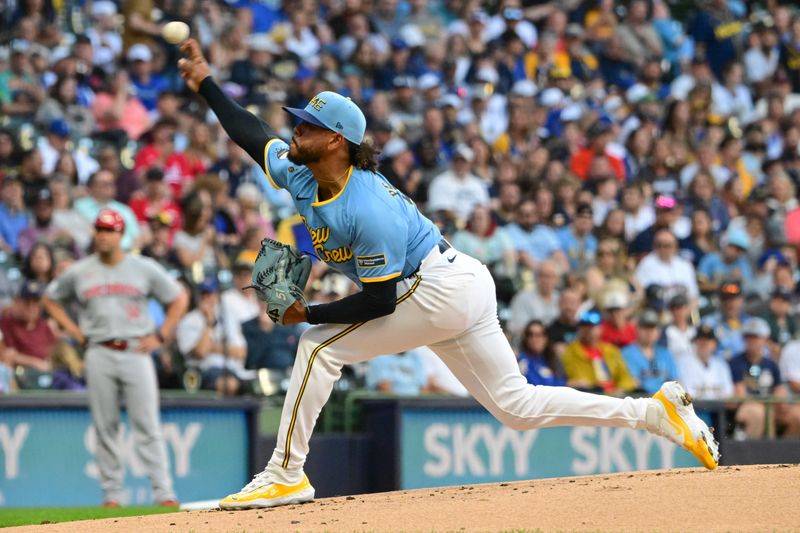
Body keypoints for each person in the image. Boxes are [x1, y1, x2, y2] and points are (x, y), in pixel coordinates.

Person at [178, 38, 719, 510]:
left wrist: (308, 314)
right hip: (454, 282)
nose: (295, 130)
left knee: (319, 346)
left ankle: (284, 474)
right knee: (518, 407)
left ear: (337, 141)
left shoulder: (367, 209)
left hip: (434, 287)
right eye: (299, 121)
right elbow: (253, 136)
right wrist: (207, 85)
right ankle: (653, 413)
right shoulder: (302, 169)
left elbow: (381, 303)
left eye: (309, 125)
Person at [42, 208, 189, 507]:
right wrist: (74, 331)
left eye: (109, 230)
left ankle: (164, 493)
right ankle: (112, 496)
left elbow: (179, 297)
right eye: (99, 229)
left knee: (147, 424)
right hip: (98, 350)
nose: (103, 235)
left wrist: (161, 336)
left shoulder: (142, 267)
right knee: (105, 425)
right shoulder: (81, 270)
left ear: (121, 235)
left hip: (136, 349)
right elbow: (50, 298)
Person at [729, 318, 800, 438]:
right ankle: (754, 455)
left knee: (796, 414)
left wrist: (779, 403)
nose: (751, 341)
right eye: (748, 337)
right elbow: (740, 394)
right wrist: (767, 405)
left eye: (756, 337)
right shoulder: (736, 362)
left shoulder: (771, 364)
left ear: (765, 340)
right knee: (758, 414)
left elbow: (780, 391)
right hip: (747, 406)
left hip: (770, 405)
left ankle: (786, 453)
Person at [562, 309, 637, 395]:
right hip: (592, 396)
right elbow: (580, 381)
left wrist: (620, 389)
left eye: (593, 327)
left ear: (601, 328)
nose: (589, 330)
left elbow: (625, 377)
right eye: (585, 326)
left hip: (615, 396)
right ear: (580, 329)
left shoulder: (611, 350)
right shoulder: (571, 352)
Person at [621, 309, 679, 395]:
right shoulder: (627, 353)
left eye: (652, 328)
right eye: (645, 328)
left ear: (658, 331)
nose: (649, 332)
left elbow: (676, 382)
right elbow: (633, 384)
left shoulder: (665, 353)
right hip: (640, 401)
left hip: (665, 401)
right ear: (637, 329)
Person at [677, 324, 733, 400]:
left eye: (708, 340)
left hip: (719, 409)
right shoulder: (683, 363)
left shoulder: (721, 365)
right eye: (701, 339)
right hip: (693, 408)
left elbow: (728, 393)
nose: (704, 343)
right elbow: (684, 393)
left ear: (715, 344)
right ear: (695, 342)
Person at [517, 320, 565, 387]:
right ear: (526, 339)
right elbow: (531, 385)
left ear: (546, 338)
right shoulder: (522, 360)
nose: (534, 339)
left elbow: (561, 383)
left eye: (538, 335)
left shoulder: (553, 359)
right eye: (530, 335)